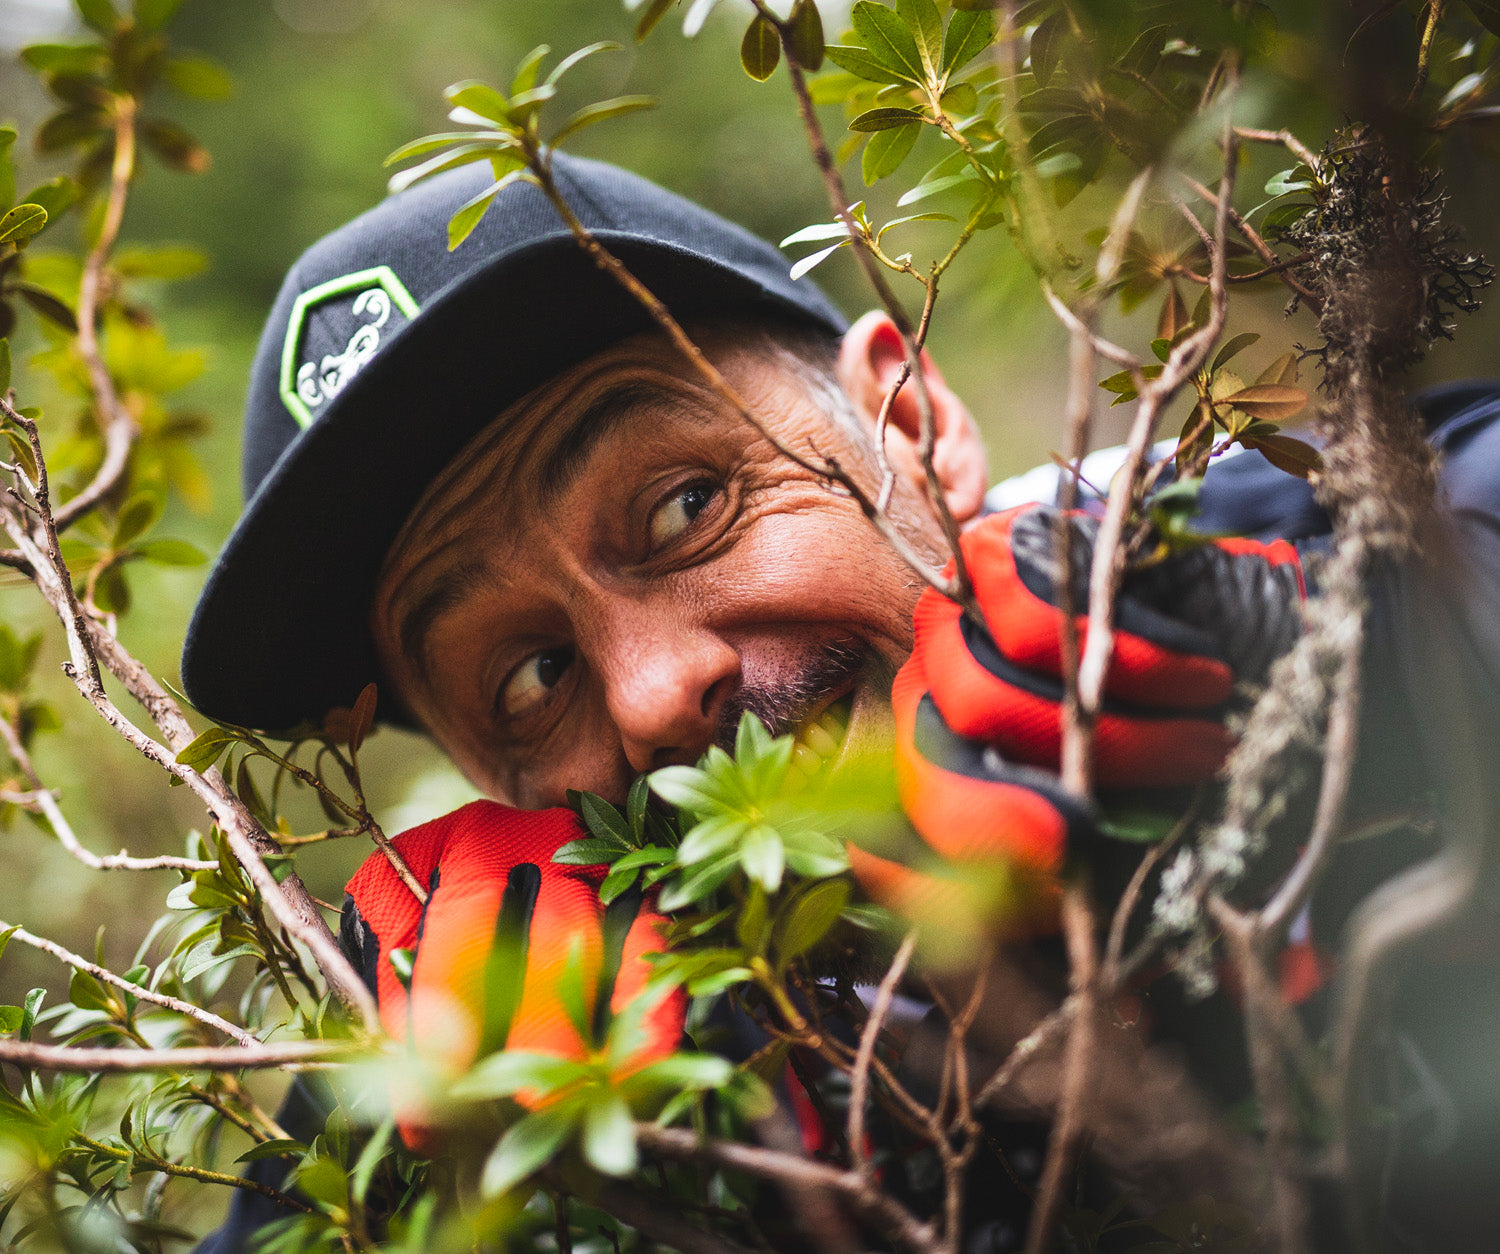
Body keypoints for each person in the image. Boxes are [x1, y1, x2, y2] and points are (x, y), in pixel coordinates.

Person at [186, 154, 1500, 1250]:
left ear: (914, 420)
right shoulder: (640, 1061)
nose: (654, 695)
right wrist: (380, 1133)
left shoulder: (1339, 528)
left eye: (687, 504)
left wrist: (1342, 654)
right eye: (529, 676)